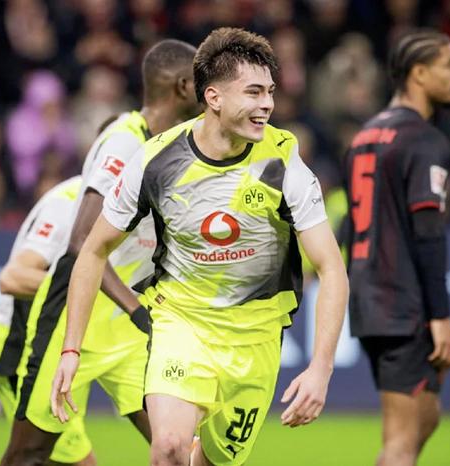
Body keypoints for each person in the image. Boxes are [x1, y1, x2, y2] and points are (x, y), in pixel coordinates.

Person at [52, 28, 348, 466]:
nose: (267, 103)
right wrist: (71, 350)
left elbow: (332, 268)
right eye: (253, 92)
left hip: (256, 341)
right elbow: (92, 249)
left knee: (210, 460)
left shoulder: (283, 161)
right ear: (213, 97)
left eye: (269, 91)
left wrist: (321, 369)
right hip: (182, 326)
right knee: (168, 447)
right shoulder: (156, 160)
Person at [0, 38, 200, 466]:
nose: (210, 97)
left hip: (131, 332)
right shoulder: (124, 142)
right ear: (184, 87)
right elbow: (83, 243)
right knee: (29, 456)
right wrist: (137, 310)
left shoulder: (175, 148)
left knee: (177, 449)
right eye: (203, 85)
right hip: (77, 319)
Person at [344, 30, 450, 466]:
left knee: (426, 417)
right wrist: (440, 316)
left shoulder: (364, 137)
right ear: (419, 73)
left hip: (370, 299)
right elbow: (427, 233)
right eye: (449, 64)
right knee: (401, 444)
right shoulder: (423, 139)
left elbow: (349, 222)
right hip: (403, 305)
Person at [0, 175, 90, 465]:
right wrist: (87, 290)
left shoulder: (107, 197)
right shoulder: (68, 203)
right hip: (18, 350)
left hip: (52, 353)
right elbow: (12, 278)